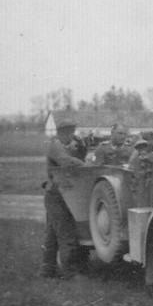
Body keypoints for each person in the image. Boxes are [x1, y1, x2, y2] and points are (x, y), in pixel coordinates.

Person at [41, 119, 88, 278]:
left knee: (53, 235)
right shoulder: (55, 146)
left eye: (73, 132)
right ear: (60, 133)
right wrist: (82, 162)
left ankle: (47, 271)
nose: (72, 135)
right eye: (69, 132)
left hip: (63, 193)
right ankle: (71, 272)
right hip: (57, 195)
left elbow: (80, 156)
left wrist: (82, 148)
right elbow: (66, 162)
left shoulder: (67, 146)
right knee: (66, 233)